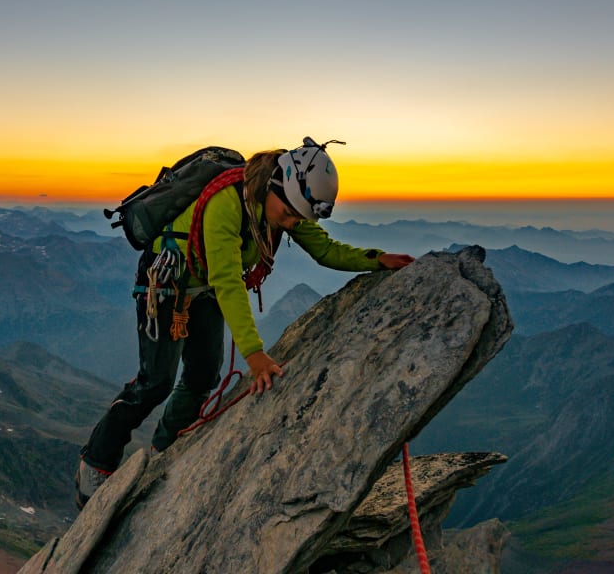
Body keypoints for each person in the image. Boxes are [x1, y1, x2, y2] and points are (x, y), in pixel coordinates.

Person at [76, 137, 414, 507]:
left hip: (201, 286)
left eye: (296, 218)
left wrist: (377, 259)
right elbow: (226, 279)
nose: (290, 223)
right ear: (275, 184)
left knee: (203, 375)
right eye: (288, 214)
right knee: (154, 383)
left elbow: (325, 250)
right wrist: (254, 354)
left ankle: (165, 449)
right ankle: (96, 461)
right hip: (165, 284)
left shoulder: (281, 202)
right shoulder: (226, 202)